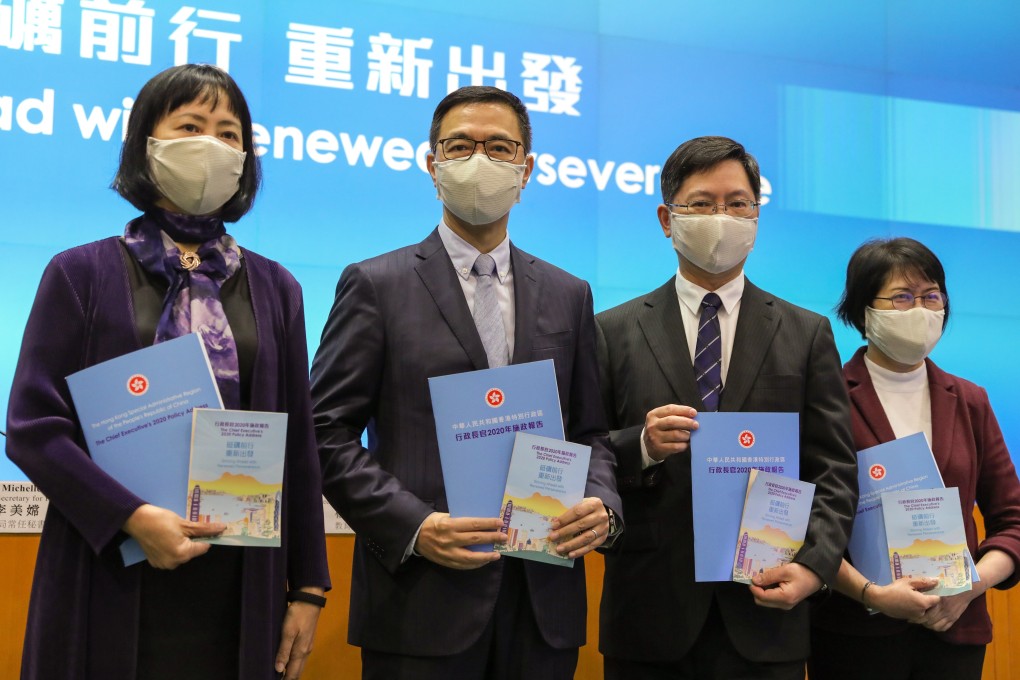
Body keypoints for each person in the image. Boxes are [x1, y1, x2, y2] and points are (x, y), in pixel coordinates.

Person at [5, 64, 330, 680]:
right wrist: (131, 516)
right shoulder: (80, 273)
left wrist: (309, 588)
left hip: (242, 573)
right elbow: (32, 426)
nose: (212, 144)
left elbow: (300, 449)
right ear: (146, 144)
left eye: (229, 133)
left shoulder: (276, 287)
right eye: (190, 125)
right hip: (108, 561)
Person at [310, 85, 622, 680]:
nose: (480, 160)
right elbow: (325, 429)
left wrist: (603, 504)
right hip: (421, 596)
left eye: (500, 147)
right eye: (459, 146)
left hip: (543, 598)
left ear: (526, 169)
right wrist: (414, 526)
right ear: (432, 165)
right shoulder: (375, 284)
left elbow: (591, 431)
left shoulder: (569, 293)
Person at [594, 135, 858, 679]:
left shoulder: (806, 333)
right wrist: (640, 447)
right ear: (667, 219)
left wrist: (814, 567)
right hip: (649, 612)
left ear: (757, 217)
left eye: (739, 204)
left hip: (768, 609)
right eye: (701, 204)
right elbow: (584, 448)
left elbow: (834, 468)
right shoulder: (612, 330)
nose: (722, 217)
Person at [808, 237, 1020, 680]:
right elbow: (806, 524)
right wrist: (871, 594)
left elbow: (1012, 521)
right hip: (854, 635)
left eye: (931, 296)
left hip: (954, 630)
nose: (920, 310)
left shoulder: (970, 400)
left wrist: (967, 587)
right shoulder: (825, 398)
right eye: (901, 297)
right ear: (864, 310)